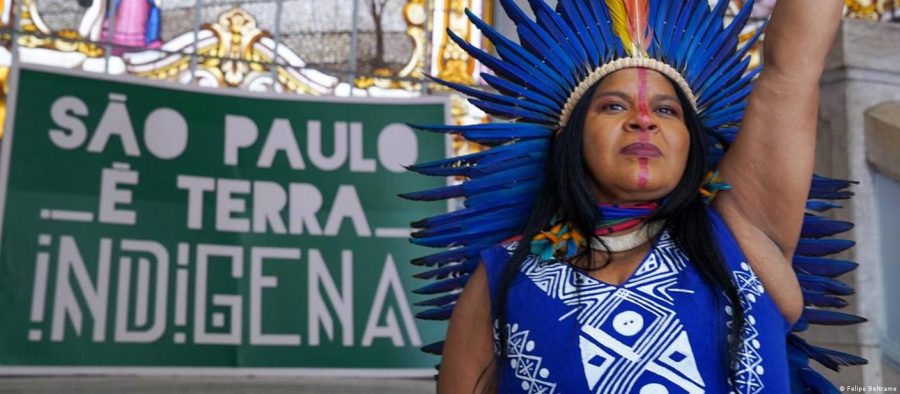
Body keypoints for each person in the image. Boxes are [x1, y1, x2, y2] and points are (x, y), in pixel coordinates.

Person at [402, 0, 863, 392]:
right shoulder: (501, 277)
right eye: (613, 106)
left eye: (666, 109)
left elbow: (792, 68)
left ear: (691, 143)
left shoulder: (743, 232)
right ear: (570, 137)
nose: (644, 120)